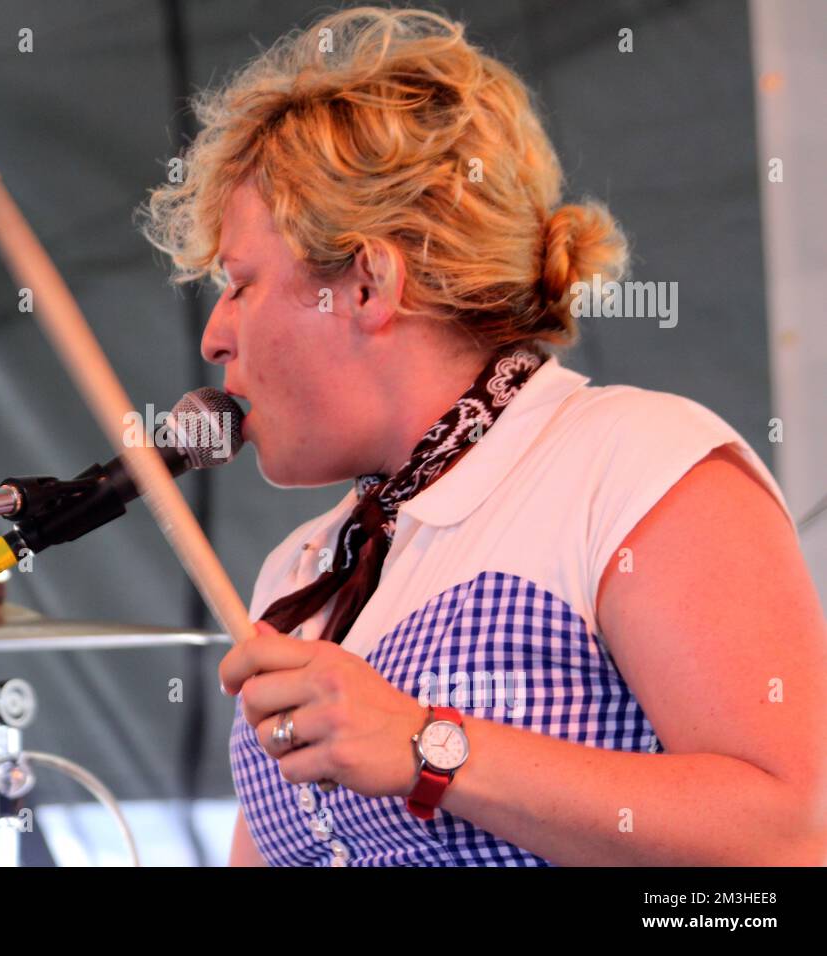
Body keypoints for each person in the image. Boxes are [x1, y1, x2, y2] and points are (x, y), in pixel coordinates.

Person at [139, 6, 827, 866]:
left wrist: (428, 748)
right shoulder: (303, 571)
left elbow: (789, 841)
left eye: (238, 284)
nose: (213, 337)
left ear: (366, 284)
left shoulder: (637, 463)